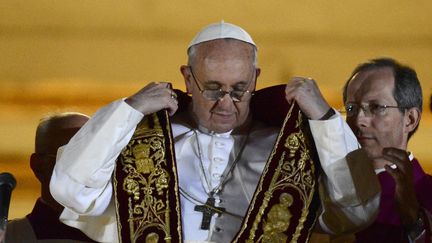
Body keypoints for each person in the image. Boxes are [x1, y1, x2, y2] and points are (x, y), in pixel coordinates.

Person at [50, 22, 380, 243]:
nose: (225, 103)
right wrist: (129, 109)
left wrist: (324, 117)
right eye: (212, 88)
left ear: (255, 79)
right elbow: (71, 189)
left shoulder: (290, 151)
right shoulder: (144, 143)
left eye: (239, 89)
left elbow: (357, 210)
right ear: (188, 79)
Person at [341, 58, 432, 242]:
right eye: (351, 108)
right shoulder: (324, 189)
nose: (359, 120)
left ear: (410, 119)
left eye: (376, 107)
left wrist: (414, 221)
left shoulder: (427, 193)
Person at [5, 112, 96, 242]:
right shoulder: (9, 237)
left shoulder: (125, 235)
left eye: (98, 158)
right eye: (74, 157)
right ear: (39, 166)